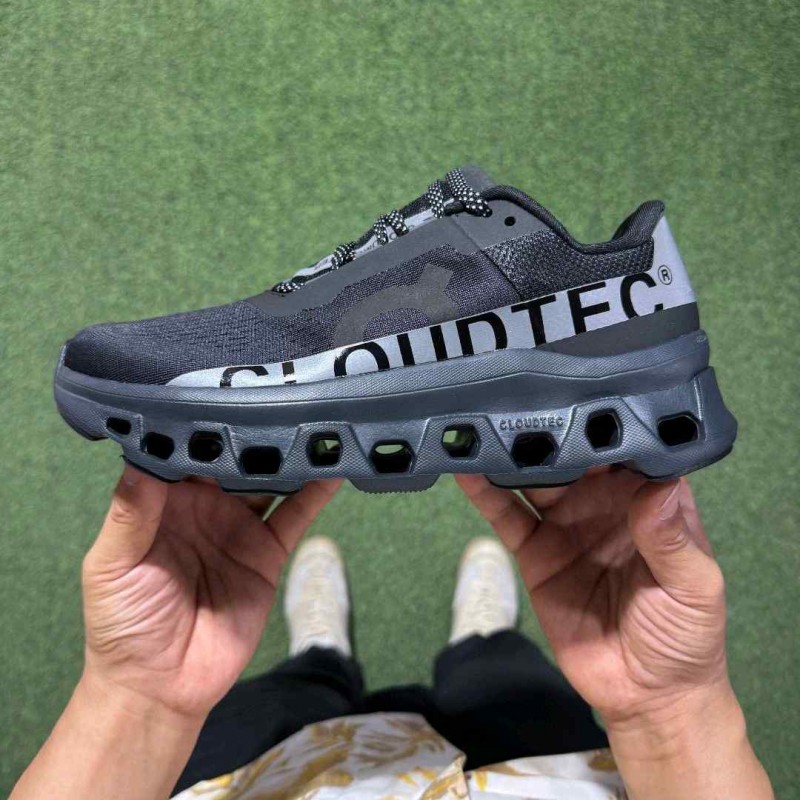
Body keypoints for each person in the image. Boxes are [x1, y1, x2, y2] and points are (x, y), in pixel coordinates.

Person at [11, 466, 773, 799]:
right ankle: (482, 639)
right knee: (500, 676)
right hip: (548, 778)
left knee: (302, 694)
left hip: (263, 779)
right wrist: (669, 712)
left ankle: (321, 653)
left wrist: (137, 698)